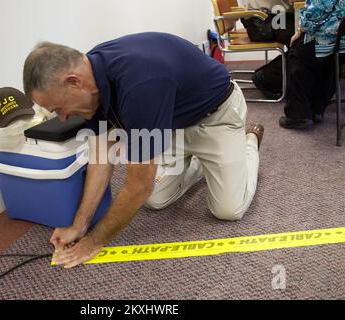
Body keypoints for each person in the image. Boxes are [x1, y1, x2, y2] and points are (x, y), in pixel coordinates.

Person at [23, 32, 264, 268]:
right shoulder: (92, 80)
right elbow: (100, 156)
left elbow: (139, 185)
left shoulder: (140, 85)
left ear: (74, 82)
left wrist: (94, 242)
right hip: (172, 124)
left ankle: (249, 141)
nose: (62, 118)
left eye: (59, 108)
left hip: (217, 117)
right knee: (155, 199)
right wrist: (79, 225)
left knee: (228, 209)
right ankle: (204, 162)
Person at [280, 0, 345, 129]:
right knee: (327, 58)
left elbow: (315, 12)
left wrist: (300, 29)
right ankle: (317, 109)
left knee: (298, 52)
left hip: (339, 42)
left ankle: (298, 115)